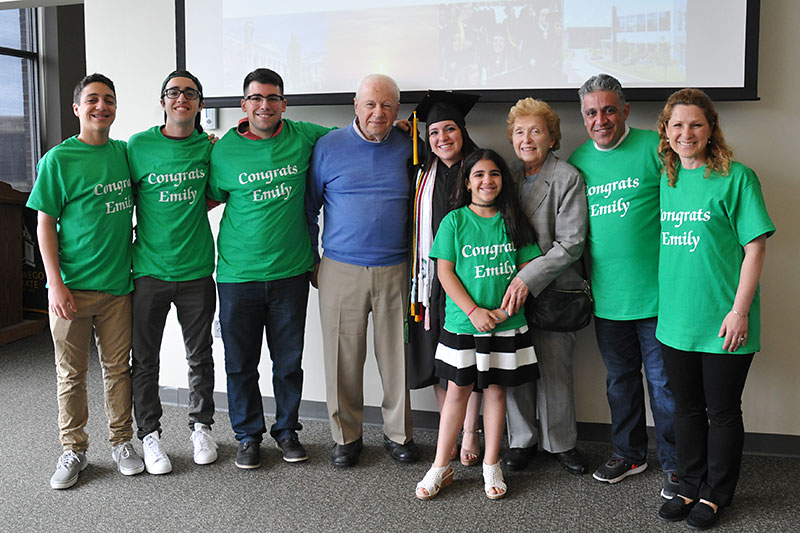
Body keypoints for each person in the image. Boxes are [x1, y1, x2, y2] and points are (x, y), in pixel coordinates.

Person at [654, 88, 774, 530]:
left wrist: (740, 311)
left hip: (725, 319)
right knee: (685, 408)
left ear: (711, 130)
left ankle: (716, 494)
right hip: (676, 320)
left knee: (722, 411)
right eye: (678, 125)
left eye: (696, 124)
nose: (687, 133)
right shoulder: (666, 179)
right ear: (666, 132)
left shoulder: (737, 177)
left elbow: (755, 248)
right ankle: (688, 484)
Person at [208, 68, 333, 469]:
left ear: (284, 103)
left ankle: (287, 430)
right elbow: (207, 199)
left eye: (273, 98)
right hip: (236, 276)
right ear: (243, 105)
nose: (265, 105)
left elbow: (352, 137)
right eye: (256, 98)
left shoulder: (305, 136)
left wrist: (397, 126)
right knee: (240, 364)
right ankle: (247, 436)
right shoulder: (222, 150)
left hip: (290, 274)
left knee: (288, 361)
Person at [27, 73, 144, 489]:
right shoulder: (59, 159)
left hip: (117, 287)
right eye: (92, 100)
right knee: (70, 374)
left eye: (109, 100)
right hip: (71, 290)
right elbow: (44, 224)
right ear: (77, 108)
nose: (101, 106)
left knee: (118, 370)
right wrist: (54, 283)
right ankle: (73, 449)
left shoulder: (124, 153)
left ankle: (122, 442)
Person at [568, 74, 678, 498]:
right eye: (592, 112)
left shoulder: (655, 146)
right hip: (607, 299)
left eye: (609, 110)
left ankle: (674, 463)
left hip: (657, 298)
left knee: (665, 386)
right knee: (619, 382)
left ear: (626, 110)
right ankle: (630, 454)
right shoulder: (579, 161)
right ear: (583, 117)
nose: (601, 120)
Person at [307, 73, 419, 468]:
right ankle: (345, 437)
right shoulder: (328, 146)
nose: (378, 112)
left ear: (398, 111)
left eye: (388, 105)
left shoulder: (412, 146)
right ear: (355, 106)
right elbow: (310, 208)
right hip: (340, 267)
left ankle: (398, 434)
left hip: (396, 268)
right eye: (370, 104)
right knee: (342, 358)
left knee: (395, 358)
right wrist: (313, 260)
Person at [415, 149, 540, 501]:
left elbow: (526, 272)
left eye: (495, 174)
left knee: (497, 391)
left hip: (505, 322)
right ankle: (441, 465)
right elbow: (445, 271)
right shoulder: (454, 221)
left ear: (503, 180)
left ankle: (491, 464)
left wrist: (501, 313)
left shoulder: (515, 221)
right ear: (467, 183)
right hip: (463, 324)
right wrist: (473, 312)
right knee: (458, 391)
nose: (488, 181)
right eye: (479, 175)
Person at [127, 70, 218, 474]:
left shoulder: (209, 148)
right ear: (162, 101)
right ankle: (150, 435)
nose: (181, 98)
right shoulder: (137, 147)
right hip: (148, 271)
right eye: (173, 92)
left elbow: (214, 195)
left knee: (199, 355)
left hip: (197, 269)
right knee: (144, 359)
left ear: (200, 103)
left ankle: (201, 426)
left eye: (190, 93)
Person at [499, 97, 589, 475]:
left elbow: (571, 243)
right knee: (515, 366)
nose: (526, 139)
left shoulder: (567, 177)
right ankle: (521, 441)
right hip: (507, 293)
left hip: (552, 290)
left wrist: (527, 277)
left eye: (536, 131)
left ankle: (561, 443)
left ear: (552, 138)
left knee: (554, 370)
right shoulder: (507, 178)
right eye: (519, 132)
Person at [407, 90, 484, 466]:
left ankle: (470, 430)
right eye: (433, 132)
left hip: (468, 281)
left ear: (463, 130)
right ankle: (448, 428)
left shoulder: (480, 168)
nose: (442, 139)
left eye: (449, 129)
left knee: (466, 358)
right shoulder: (421, 171)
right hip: (427, 282)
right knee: (436, 355)